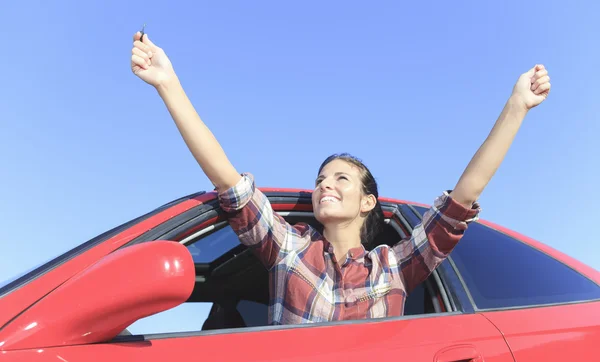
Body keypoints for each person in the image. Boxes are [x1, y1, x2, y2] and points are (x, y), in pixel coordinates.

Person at [130, 31, 551, 325]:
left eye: (342, 178)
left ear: (368, 201)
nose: (325, 184)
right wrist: (168, 84)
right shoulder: (288, 250)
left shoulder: (392, 268)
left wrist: (517, 106)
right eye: (321, 178)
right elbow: (229, 182)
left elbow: (461, 202)